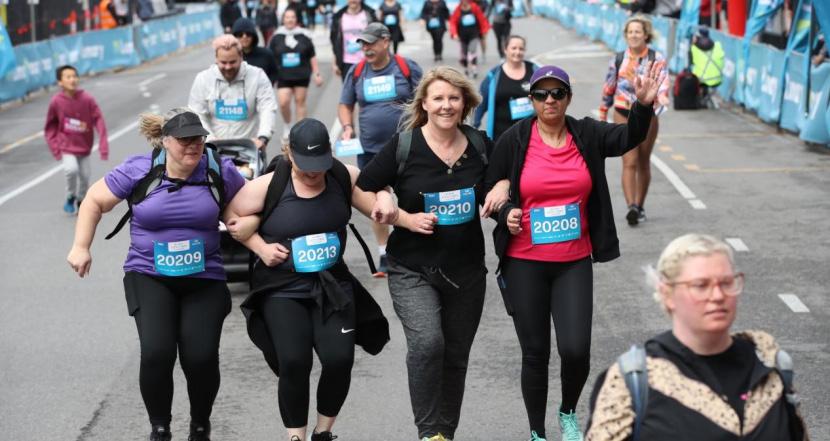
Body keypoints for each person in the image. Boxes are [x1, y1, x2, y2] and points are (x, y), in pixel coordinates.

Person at [484, 63, 664, 441]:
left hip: (573, 261)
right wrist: (506, 212)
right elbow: (490, 187)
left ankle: (568, 411)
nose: (549, 100)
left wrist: (642, 106)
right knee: (535, 352)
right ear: (532, 99)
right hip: (524, 261)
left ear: (568, 98)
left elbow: (629, 136)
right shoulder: (514, 139)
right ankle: (537, 432)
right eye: (541, 94)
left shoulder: (587, 133)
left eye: (557, 93)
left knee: (576, 349)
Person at [66, 108, 247, 441]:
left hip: (204, 278)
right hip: (148, 274)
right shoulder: (140, 170)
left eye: (198, 139)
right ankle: (160, 429)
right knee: (157, 352)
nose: (193, 145)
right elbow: (93, 200)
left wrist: (248, 225)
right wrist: (81, 246)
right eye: (184, 140)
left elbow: (252, 204)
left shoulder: (218, 170)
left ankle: (200, 425)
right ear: (165, 142)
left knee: (201, 357)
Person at [356, 66, 508, 441]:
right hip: (413, 268)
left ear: (465, 103)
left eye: (454, 98)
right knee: (427, 344)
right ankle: (428, 433)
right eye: (438, 98)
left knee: (455, 356)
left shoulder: (479, 145)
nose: (446, 105)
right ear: (424, 103)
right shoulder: (405, 145)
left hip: (466, 271)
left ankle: (444, 434)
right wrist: (398, 213)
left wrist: (503, 185)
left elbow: (505, 177)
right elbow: (365, 185)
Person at [225, 118, 390, 441]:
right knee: (294, 362)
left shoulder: (342, 175)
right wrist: (260, 246)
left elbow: (379, 194)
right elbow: (230, 215)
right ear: (289, 154)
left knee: (339, 359)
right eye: (306, 166)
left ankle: (323, 433)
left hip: (332, 284)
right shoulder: (268, 185)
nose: (314, 172)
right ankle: (295, 437)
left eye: (320, 164)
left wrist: (386, 196)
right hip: (282, 288)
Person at [585, 233, 810, 441]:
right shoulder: (631, 381)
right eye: (701, 285)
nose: (718, 295)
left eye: (726, 283)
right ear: (667, 294)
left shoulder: (770, 365)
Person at [338, 22, 423, 276]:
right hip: (371, 150)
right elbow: (345, 104)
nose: (366, 48)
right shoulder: (357, 72)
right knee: (376, 201)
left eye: (371, 43)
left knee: (413, 195)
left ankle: (416, 247)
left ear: (386, 41)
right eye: (363, 44)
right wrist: (347, 126)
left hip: (407, 147)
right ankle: (385, 253)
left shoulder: (406, 68)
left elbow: (425, 98)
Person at [599, 15, 669, 226]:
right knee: (629, 161)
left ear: (646, 35)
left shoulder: (656, 58)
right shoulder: (618, 58)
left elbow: (663, 82)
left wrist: (662, 97)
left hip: (648, 114)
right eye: (630, 32)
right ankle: (631, 207)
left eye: (637, 31)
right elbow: (609, 86)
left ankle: (640, 205)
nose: (634, 35)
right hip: (623, 111)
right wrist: (603, 112)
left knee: (643, 161)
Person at [188, 34, 278, 153]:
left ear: (241, 57)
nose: (228, 67)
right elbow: (196, 113)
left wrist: (263, 137)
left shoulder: (258, 76)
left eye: (232, 62)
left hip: (250, 147)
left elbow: (267, 107)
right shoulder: (203, 79)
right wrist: (209, 139)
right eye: (223, 62)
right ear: (216, 58)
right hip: (215, 148)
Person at [44, 64, 109, 215]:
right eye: (68, 77)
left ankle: (81, 199)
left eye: (74, 76)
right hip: (66, 146)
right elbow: (50, 126)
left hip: (84, 147)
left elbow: (99, 119)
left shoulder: (87, 99)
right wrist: (55, 147)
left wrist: (103, 145)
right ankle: (70, 195)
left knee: (85, 176)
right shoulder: (56, 101)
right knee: (71, 169)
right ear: (60, 82)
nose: (72, 79)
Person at [270, 8, 324, 144]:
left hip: (301, 75)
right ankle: (287, 125)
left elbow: (312, 56)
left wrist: (317, 73)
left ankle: (300, 132)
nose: (290, 20)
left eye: (292, 17)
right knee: (283, 102)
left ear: (296, 19)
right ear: (283, 19)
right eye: (287, 17)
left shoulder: (304, 35)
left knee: (300, 102)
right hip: (283, 75)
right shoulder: (276, 37)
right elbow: (270, 57)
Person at [474, 35, 538, 141]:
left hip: (531, 135)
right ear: (505, 50)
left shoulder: (535, 71)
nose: (517, 52)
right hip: (501, 135)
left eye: (521, 49)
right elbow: (481, 102)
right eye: (514, 48)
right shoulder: (494, 75)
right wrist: (474, 126)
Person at [330, 0, 378, 81]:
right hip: (346, 63)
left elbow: (378, 38)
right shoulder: (339, 16)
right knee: (349, 89)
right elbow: (335, 41)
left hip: (367, 61)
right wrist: (335, 63)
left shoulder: (369, 15)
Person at [448, 0, 490, 78]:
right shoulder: (458, 9)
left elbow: (482, 19)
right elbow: (453, 22)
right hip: (462, 36)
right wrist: (454, 34)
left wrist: (484, 31)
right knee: (464, 53)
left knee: (472, 50)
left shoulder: (474, 7)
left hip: (474, 35)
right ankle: (466, 68)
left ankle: (474, 68)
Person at [233, 17, 279, 85]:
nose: (244, 37)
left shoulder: (266, 54)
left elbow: (274, 73)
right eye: (240, 34)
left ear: (253, 36)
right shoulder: (230, 56)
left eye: (248, 34)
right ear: (235, 36)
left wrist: (265, 86)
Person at [689, 27, 724, 108]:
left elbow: (690, 64)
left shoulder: (694, 48)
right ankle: (706, 98)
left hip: (701, 80)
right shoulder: (717, 45)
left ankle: (700, 99)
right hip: (718, 79)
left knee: (691, 74)